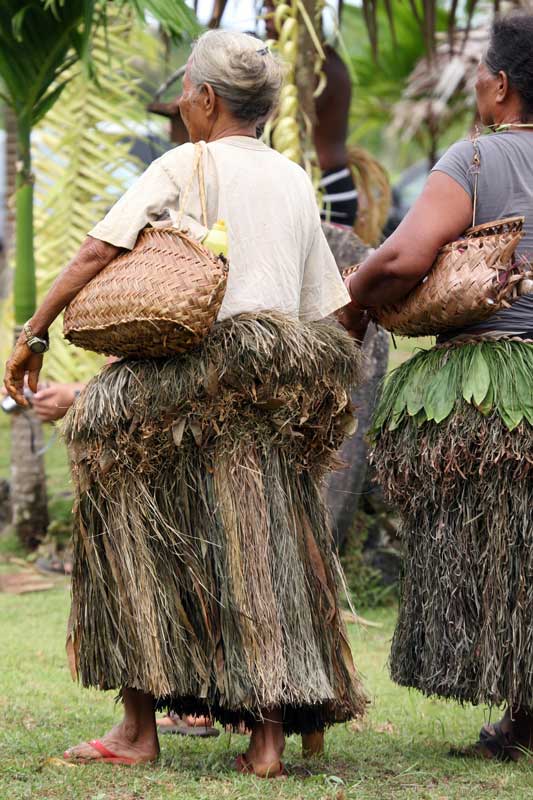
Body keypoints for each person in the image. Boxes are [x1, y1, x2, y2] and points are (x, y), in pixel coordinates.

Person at [5, 30, 366, 776]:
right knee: (257, 548)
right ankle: (265, 739)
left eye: (185, 97)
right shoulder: (295, 181)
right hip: (267, 390)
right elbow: (322, 310)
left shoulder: (185, 161)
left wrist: (32, 335)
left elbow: (97, 252)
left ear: (204, 99)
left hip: (181, 380)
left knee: (121, 528)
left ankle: (138, 731)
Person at [340, 12, 533, 761]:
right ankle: (524, 715)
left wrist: (352, 300)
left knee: (510, 554)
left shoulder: (477, 159)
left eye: (481, 73)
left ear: (500, 87)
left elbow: (404, 257)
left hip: (496, 381)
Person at [263, 2, 358, 227]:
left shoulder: (320, 68)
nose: (265, 17)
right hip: (318, 187)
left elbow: (271, 119)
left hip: (326, 193)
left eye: (271, 8)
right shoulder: (303, 66)